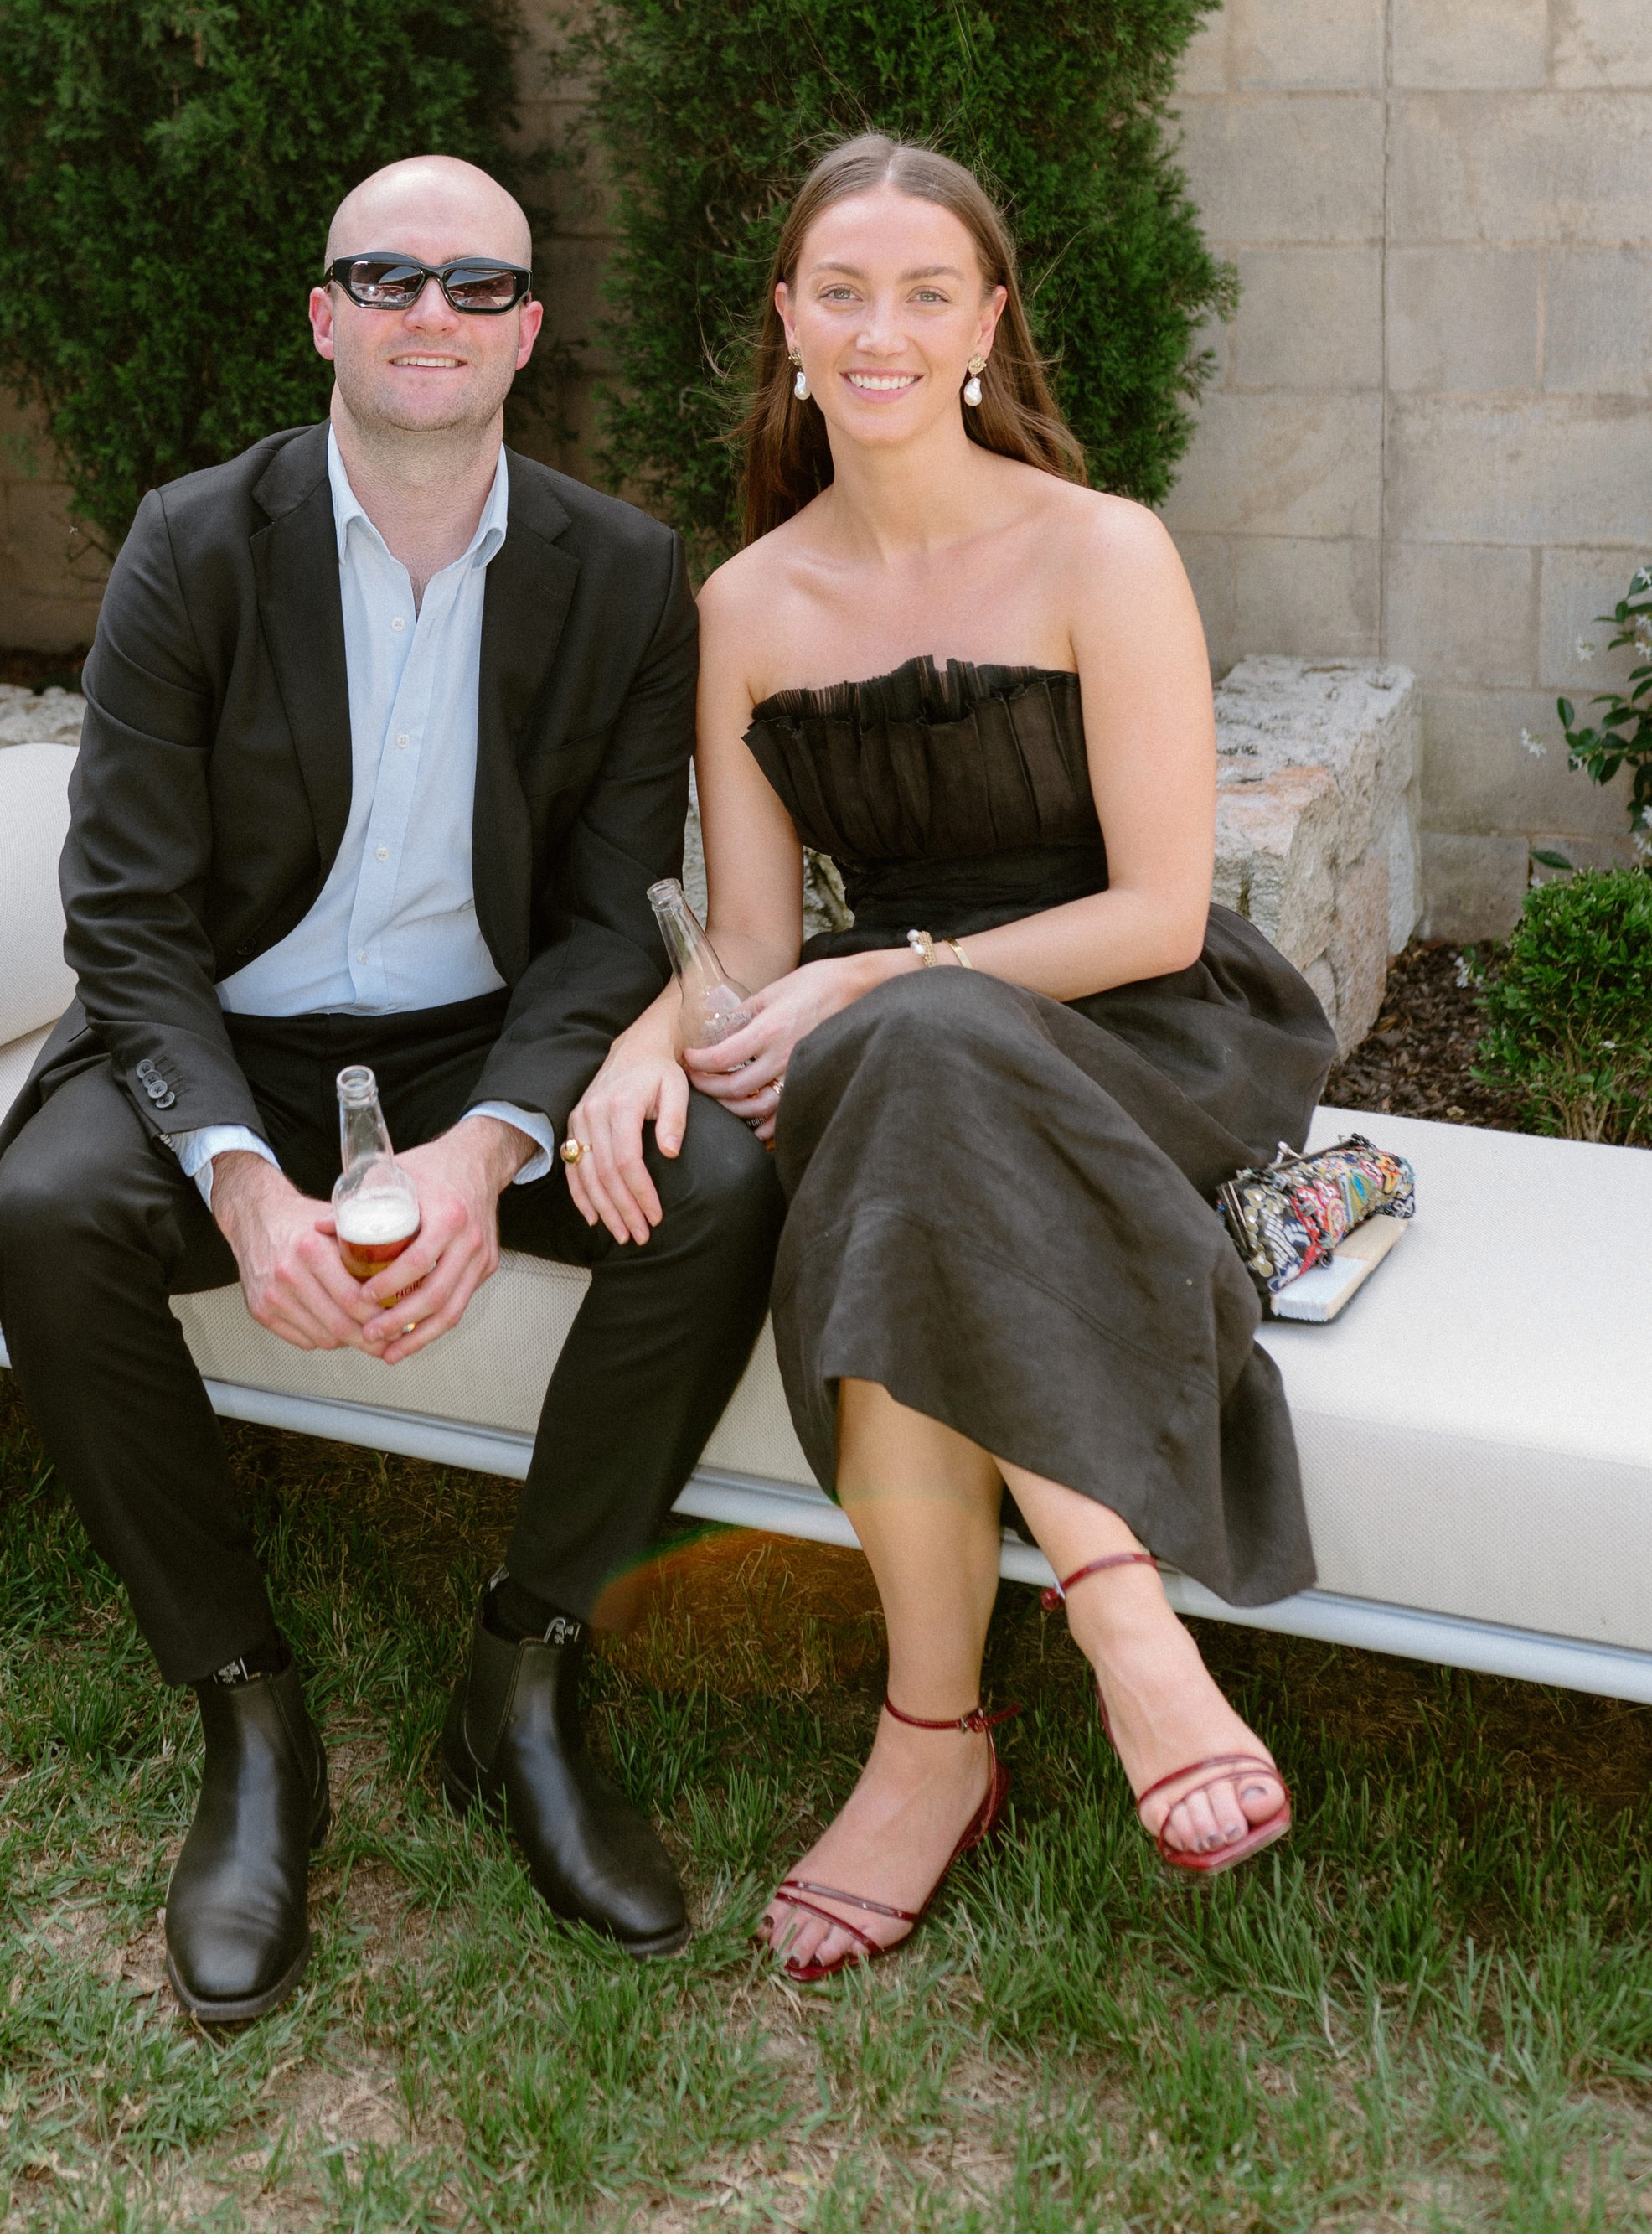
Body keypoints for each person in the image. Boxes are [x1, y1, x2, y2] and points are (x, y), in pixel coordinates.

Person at [0, 154, 782, 2024]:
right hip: (229, 1025)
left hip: (474, 1030)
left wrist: (493, 1141)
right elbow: (122, 908)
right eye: (388, 277)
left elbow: (604, 924)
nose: (433, 311)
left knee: (719, 1185)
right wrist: (247, 1182)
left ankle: (523, 1673)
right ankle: (248, 1717)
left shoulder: (626, 570)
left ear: (526, 335)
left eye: (475, 285)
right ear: (326, 315)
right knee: (49, 1207)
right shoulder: (194, 538)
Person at [565, 134, 1335, 1981]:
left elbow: (1156, 909)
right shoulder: (745, 606)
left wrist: (886, 973)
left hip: (1136, 1019)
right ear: (787, 326)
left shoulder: (1100, 548)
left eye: (925, 292)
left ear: (986, 324)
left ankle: (974, 1711)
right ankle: (1096, 1638)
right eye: (842, 291)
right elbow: (751, 944)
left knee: (904, 1048)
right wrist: (617, 1059)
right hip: (896, 1034)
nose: (880, 328)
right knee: (903, 1068)